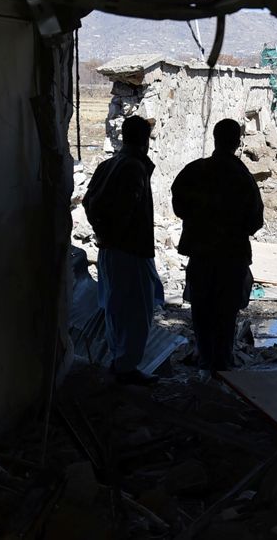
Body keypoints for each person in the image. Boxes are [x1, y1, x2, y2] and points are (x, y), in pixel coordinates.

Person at [172, 119, 264, 377]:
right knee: (226, 314)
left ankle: (204, 364)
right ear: (237, 142)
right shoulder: (242, 177)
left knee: (201, 312)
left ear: (214, 138)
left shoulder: (194, 171)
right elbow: (255, 220)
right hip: (232, 258)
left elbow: (179, 207)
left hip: (201, 255)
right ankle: (222, 368)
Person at [83, 115, 161, 385]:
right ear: (143, 140)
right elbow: (126, 210)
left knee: (117, 308)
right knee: (137, 311)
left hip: (111, 249)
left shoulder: (108, 164)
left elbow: (87, 201)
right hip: (130, 251)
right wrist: (119, 234)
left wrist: (103, 233)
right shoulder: (133, 169)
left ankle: (120, 362)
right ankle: (126, 367)